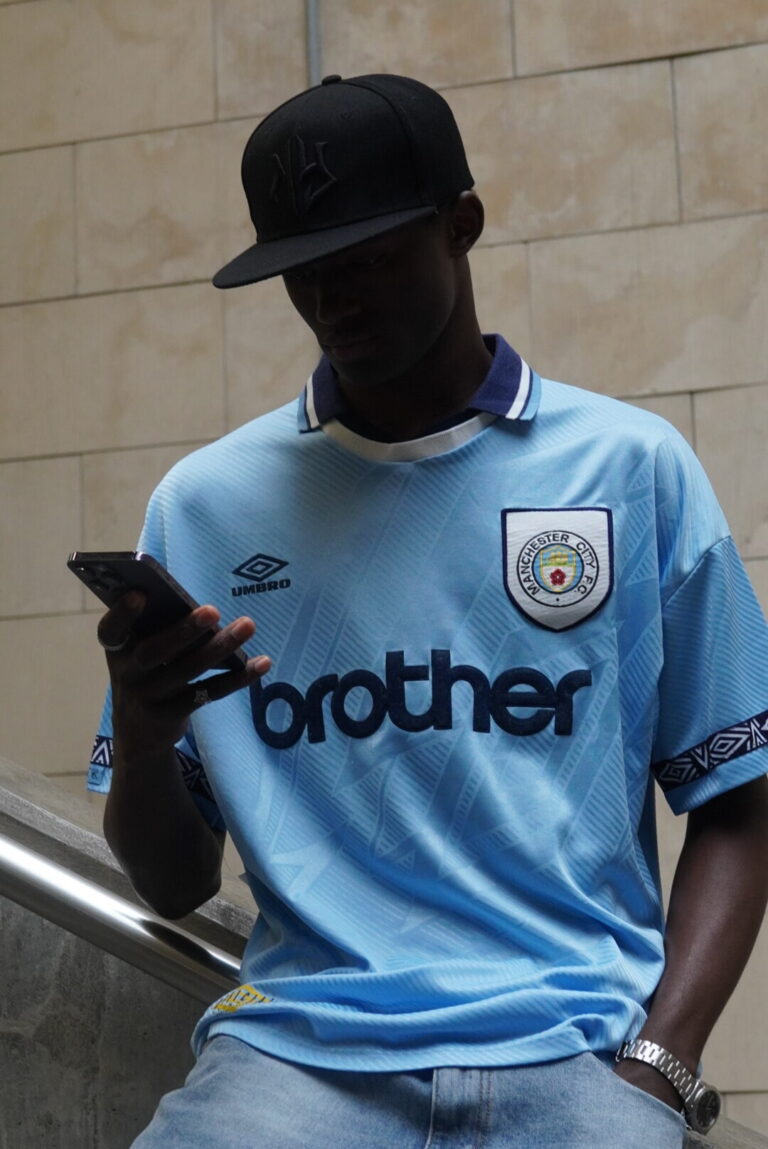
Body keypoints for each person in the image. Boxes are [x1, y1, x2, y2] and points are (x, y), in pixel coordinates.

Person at [87, 74, 768, 1148]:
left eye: (366, 261)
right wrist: (145, 725)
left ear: (463, 225)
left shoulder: (629, 470)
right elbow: (171, 881)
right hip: (296, 1060)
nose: (334, 302)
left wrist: (661, 1065)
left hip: (573, 1054)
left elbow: (738, 798)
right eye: (304, 274)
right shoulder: (206, 506)